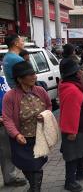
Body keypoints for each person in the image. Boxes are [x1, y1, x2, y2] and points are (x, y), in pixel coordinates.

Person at [2, 61, 51, 191]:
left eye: (34, 73)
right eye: (30, 74)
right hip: (21, 139)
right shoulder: (10, 96)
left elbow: (49, 106)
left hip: (39, 137)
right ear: (19, 79)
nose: (34, 76)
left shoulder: (40, 90)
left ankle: (35, 189)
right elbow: (7, 118)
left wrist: (45, 114)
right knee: (26, 164)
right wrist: (16, 134)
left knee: (36, 165)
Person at [59, 58, 83, 192]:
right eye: (78, 71)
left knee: (82, 150)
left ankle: (81, 171)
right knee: (72, 155)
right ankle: (69, 181)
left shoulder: (73, 85)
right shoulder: (72, 89)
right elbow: (71, 112)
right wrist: (71, 131)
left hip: (82, 123)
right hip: (75, 127)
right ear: (74, 74)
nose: (80, 73)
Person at [0, 34, 27, 188]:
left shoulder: (8, 60)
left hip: (8, 109)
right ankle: (10, 177)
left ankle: (11, 175)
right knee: (7, 147)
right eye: (21, 40)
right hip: (11, 109)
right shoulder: (15, 59)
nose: (23, 42)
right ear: (16, 43)